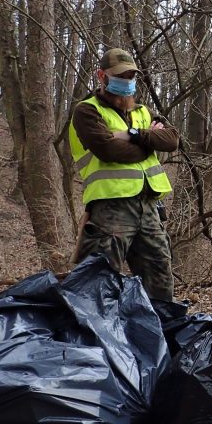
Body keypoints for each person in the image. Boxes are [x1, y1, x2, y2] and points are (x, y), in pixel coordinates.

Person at [69, 47, 178, 301]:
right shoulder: (87, 111)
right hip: (110, 210)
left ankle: (162, 334)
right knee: (98, 284)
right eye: (120, 76)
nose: (126, 81)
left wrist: (134, 135)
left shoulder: (143, 111)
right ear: (101, 76)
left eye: (130, 76)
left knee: (160, 282)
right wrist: (150, 143)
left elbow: (172, 139)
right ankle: (95, 337)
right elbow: (109, 150)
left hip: (149, 207)